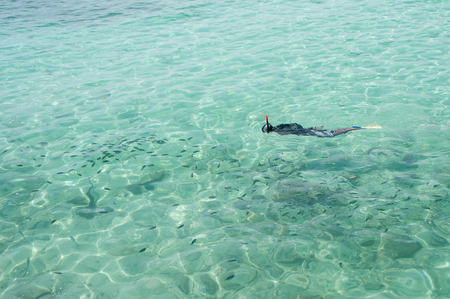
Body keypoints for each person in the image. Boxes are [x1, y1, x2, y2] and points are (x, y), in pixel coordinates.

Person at [261, 115, 362, 137]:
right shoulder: (280, 126)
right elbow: (295, 125)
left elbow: (294, 132)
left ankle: (352, 128)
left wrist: (309, 130)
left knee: (330, 134)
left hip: (307, 132)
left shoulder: (280, 132)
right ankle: (351, 127)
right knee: (330, 131)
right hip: (305, 130)